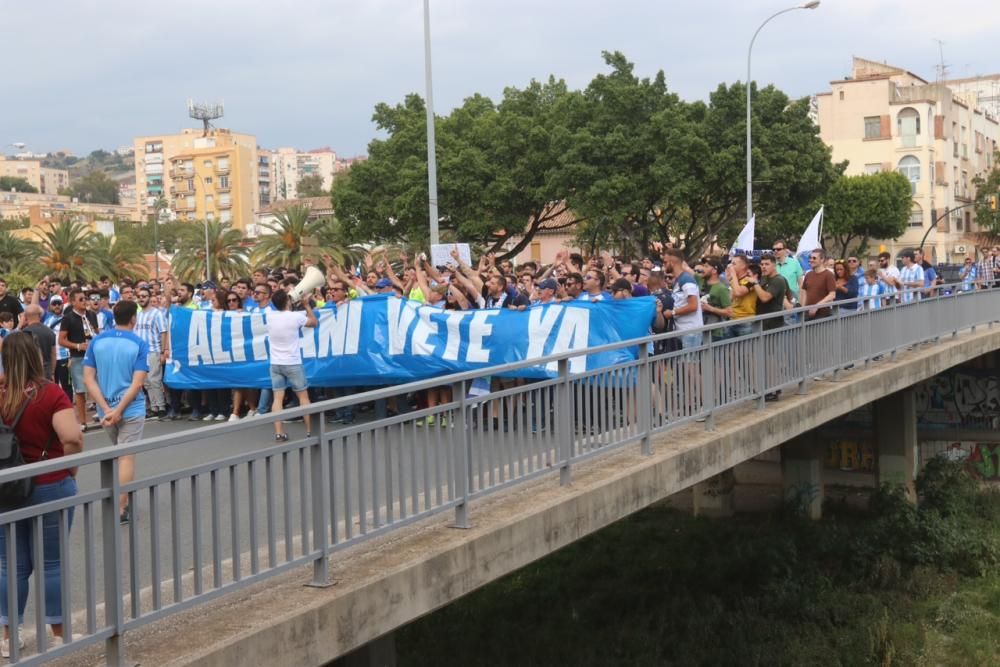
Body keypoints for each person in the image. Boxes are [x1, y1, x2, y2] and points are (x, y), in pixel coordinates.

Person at [0, 332, 83, 657]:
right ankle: (59, 632)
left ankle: (8, 636)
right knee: (51, 563)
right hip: (49, 482)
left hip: (6, 487)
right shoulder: (49, 393)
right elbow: (72, 438)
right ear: (37, 356)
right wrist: (71, 468)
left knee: (10, 565)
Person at [83, 300, 149, 523]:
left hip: (106, 409)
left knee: (118, 454)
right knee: (126, 457)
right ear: (133, 318)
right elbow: (138, 383)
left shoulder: (97, 341)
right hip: (130, 408)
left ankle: (120, 501)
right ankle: (121, 508)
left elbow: (88, 378)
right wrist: (119, 409)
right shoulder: (139, 343)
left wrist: (106, 408)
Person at [267, 288, 318, 442]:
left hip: (275, 363)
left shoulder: (270, 316)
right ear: (288, 301)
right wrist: (306, 305)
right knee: (303, 397)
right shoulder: (296, 316)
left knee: (277, 399)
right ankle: (309, 431)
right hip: (293, 362)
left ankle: (279, 432)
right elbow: (314, 322)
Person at [57, 288, 99, 429]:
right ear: (73, 302)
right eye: (81, 299)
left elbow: (97, 332)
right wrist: (78, 346)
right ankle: (82, 422)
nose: (84, 301)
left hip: (94, 356)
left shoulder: (92, 315)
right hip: (78, 358)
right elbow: (61, 340)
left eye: (85, 298)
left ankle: (102, 414)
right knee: (80, 391)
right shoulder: (68, 318)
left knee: (98, 386)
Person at [135, 287, 168, 419]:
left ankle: (161, 407)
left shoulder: (157, 313)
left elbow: (164, 332)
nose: (141, 298)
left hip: (154, 351)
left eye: (144, 296)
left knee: (155, 380)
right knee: (146, 382)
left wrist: (163, 351)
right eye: (140, 296)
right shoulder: (138, 315)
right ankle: (154, 407)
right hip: (141, 353)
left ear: (149, 297)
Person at [21, 304, 57, 381]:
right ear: (40, 315)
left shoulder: (24, 333)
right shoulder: (49, 332)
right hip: (47, 372)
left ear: (26, 316)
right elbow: (53, 354)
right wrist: (52, 373)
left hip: (30, 373)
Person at [801, 249, 837, 320]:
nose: (811, 260)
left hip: (822, 315)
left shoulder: (828, 275)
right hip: (807, 314)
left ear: (822, 260)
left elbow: (832, 295)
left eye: (814, 258)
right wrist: (802, 308)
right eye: (810, 257)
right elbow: (804, 292)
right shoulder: (808, 274)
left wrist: (816, 306)